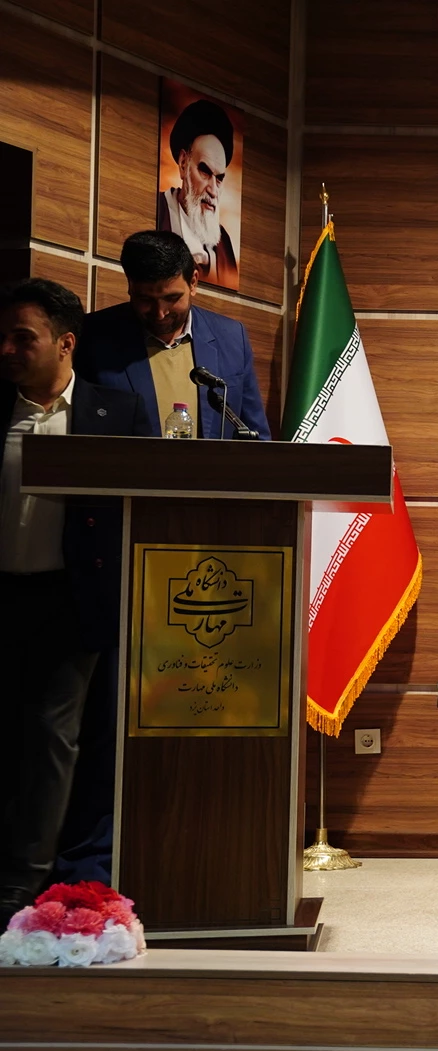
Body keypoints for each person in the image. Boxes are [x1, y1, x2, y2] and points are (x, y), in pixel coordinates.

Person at [0, 279, 154, 916]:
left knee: (50, 735)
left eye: (23, 338)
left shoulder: (116, 412)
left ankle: (22, 882)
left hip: (72, 601)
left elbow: (145, 508)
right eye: (4, 337)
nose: (7, 350)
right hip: (4, 595)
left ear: (65, 344)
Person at [74, 231, 271, 440]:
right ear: (129, 285)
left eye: (172, 298)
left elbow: (256, 438)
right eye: (146, 300)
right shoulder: (91, 335)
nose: (160, 313)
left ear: (193, 282)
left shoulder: (232, 338)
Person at [156, 99, 239, 287]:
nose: (213, 191)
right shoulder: (158, 212)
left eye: (219, 178)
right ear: (183, 163)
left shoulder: (224, 243)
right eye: (205, 171)